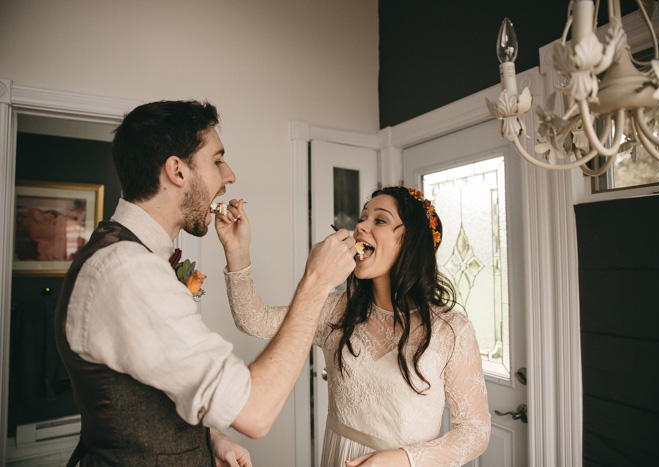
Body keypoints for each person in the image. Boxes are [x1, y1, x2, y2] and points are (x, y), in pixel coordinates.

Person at [54, 100, 357, 466]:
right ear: (177, 171)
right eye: (217, 160)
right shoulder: (129, 270)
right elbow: (254, 412)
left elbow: (161, 373)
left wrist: (208, 438)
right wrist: (317, 282)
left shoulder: (131, 255)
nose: (229, 176)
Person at [222, 185, 491, 466]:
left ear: (412, 240)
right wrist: (237, 251)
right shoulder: (335, 309)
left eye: (379, 220)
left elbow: (475, 431)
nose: (361, 226)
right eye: (362, 218)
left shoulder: (451, 330)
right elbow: (253, 320)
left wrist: (403, 459)